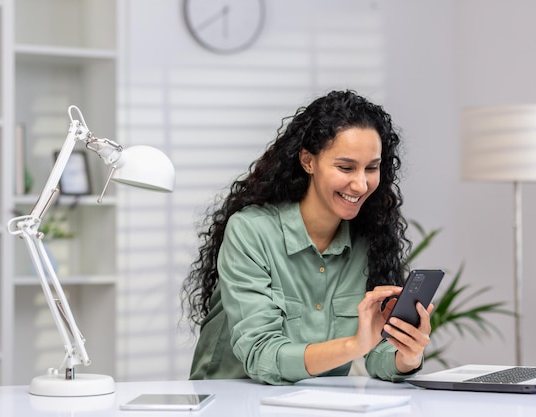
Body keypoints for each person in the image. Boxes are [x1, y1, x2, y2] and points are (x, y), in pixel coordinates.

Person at [181, 90, 433, 385]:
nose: (361, 183)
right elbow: (260, 355)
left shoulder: (369, 239)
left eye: (372, 168)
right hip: (228, 400)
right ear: (308, 161)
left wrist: (407, 354)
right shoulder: (250, 231)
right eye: (345, 167)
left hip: (316, 402)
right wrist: (353, 346)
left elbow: (377, 350)